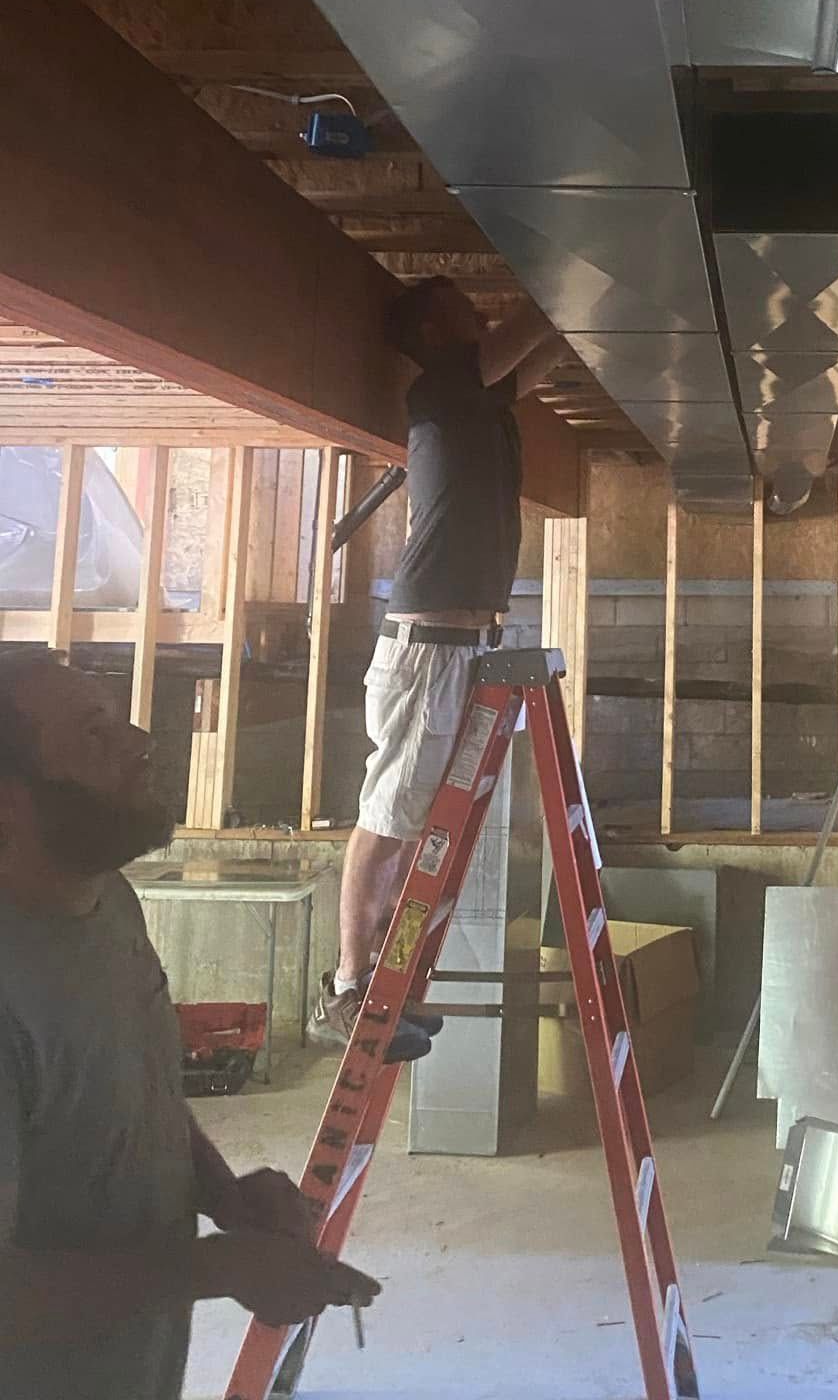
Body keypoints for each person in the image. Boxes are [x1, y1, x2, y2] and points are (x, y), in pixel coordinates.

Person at [0, 648, 379, 1400]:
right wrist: (216, 1268)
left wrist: (223, 1195)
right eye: (95, 737)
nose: (141, 741)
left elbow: (135, 1089)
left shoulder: (106, 899)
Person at [311, 279, 559, 1053]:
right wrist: (588, 273)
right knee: (388, 820)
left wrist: (599, 305)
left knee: (414, 823)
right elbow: (544, 320)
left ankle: (387, 983)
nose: (478, 308)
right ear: (432, 329)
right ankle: (350, 989)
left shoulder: (479, 396)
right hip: (430, 652)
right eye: (459, 303)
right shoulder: (444, 386)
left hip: (460, 646)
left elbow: (553, 344)